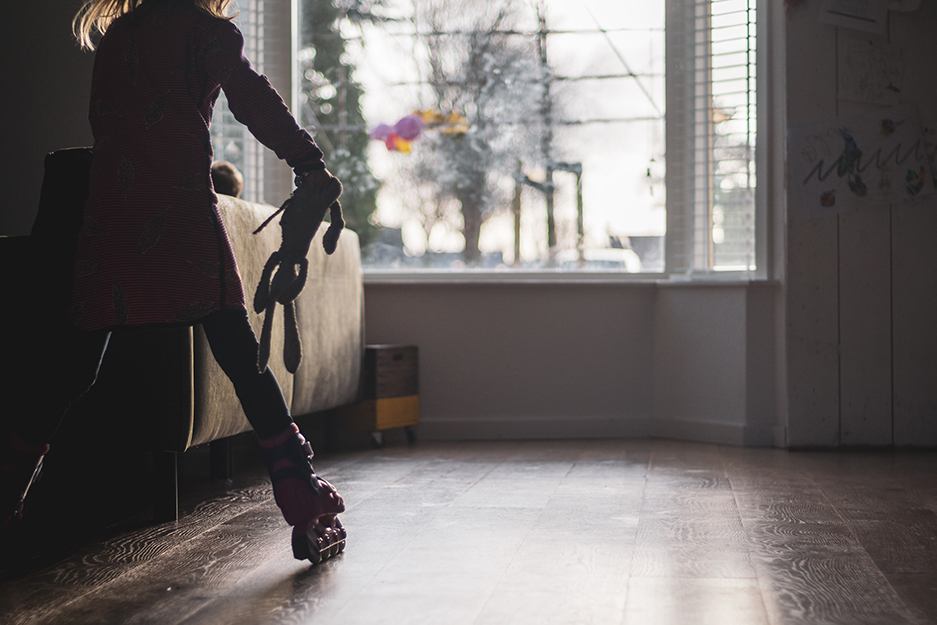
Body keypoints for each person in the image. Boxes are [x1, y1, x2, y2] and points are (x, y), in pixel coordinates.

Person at [0, 0, 346, 563]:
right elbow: (252, 98)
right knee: (240, 353)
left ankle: (6, 485)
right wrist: (308, 162)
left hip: (110, 217)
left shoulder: (117, 35)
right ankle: (299, 490)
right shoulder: (209, 34)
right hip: (180, 216)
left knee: (72, 366)